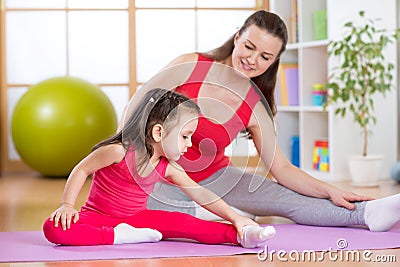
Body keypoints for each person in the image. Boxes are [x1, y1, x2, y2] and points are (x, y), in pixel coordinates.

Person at [120, 10, 400, 232]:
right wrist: (124, 151)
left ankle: (368, 215)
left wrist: (332, 190)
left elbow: (281, 168)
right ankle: (222, 213)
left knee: (286, 198)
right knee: (162, 225)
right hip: (161, 173)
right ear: (236, 37)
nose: (253, 60)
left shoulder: (255, 106)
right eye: (249, 47)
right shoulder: (191, 65)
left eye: (265, 56)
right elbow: (139, 102)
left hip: (215, 176)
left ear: (274, 60)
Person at [43, 88, 276, 248]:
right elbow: (81, 169)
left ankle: (242, 236)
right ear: (158, 132)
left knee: (185, 223)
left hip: (139, 219)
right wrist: (67, 206)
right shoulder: (118, 151)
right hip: (98, 218)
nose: (189, 144)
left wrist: (236, 218)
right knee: (52, 228)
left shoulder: (168, 167)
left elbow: (201, 194)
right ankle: (119, 237)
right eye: (185, 136)